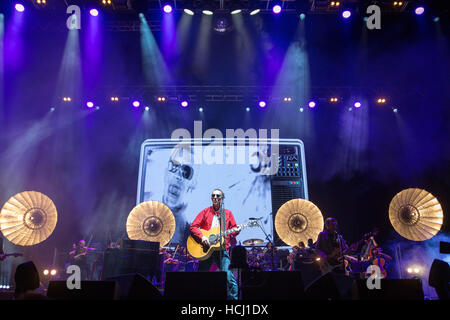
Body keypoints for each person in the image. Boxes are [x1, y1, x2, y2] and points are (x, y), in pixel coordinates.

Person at [189, 188, 240, 300]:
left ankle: (234, 301)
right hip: (206, 249)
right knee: (201, 276)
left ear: (222, 198)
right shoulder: (205, 212)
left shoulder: (228, 213)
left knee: (228, 276)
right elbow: (193, 227)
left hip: (221, 249)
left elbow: (234, 231)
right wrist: (203, 237)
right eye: (213, 196)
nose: (215, 198)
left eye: (218, 196)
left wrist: (237, 230)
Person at [161, 146, 197, 245]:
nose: (178, 176)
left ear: (193, 184)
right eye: (174, 166)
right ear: (165, 173)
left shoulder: (192, 235)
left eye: (186, 172)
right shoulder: (143, 218)